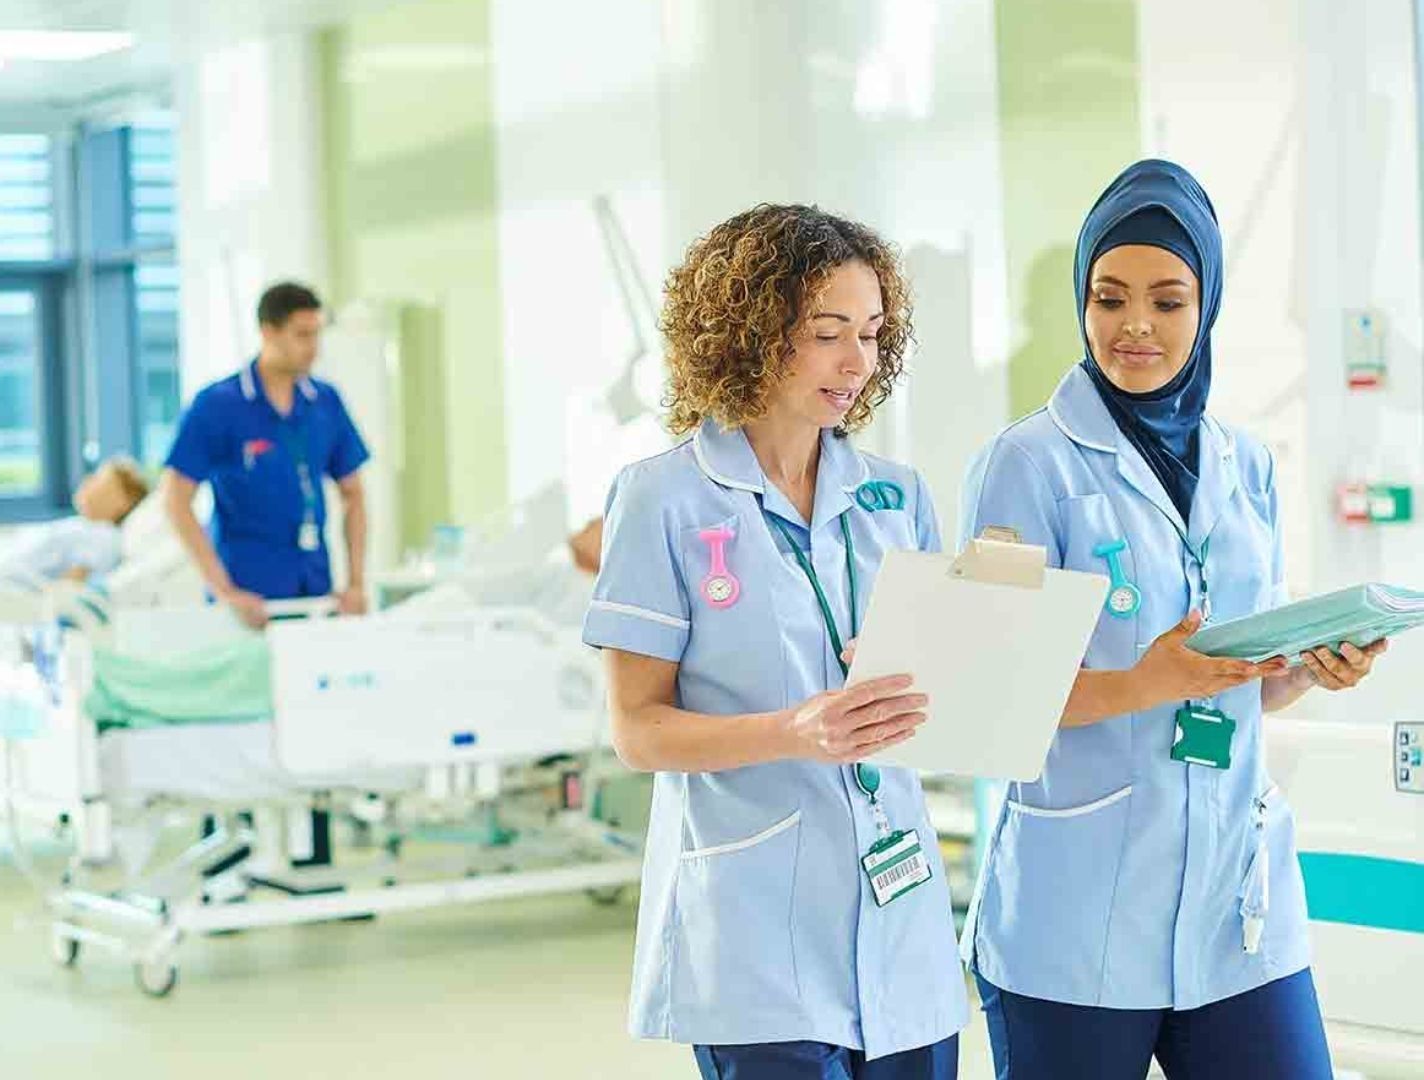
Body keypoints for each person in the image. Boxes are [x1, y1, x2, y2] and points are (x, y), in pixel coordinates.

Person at [959, 159, 1388, 1079]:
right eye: (1109, 298)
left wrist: (1311, 668)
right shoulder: (1024, 467)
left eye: (1168, 298)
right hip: (1075, 925)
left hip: (1237, 915)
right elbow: (984, 705)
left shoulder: (1247, 465)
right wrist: (1149, 681)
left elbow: (1248, 679)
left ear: (1208, 308)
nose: (1136, 326)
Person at [584, 204, 964, 1080]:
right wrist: (796, 731)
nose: (857, 362)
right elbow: (638, 730)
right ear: (751, 334)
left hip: (901, 918)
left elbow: (938, 694)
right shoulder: (663, 500)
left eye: (871, 334)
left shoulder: (897, 499)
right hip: (754, 930)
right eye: (828, 334)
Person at [161, 282, 371, 628]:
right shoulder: (218, 406)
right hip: (248, 601)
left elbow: (354, 493)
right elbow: (175, 501)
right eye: (301, 335)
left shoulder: (325, 402)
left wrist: (356, 583)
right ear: (268, 332)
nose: (313, 348)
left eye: (316, 334)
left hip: (315, 593)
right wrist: (224, 590)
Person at [0, 456, 148, 585]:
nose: (87, 480)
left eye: (99, 480)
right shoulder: (84, 525)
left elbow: (70, 587)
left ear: (120, 503)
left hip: (12, 593)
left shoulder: (105, 535)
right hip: (5, 580)